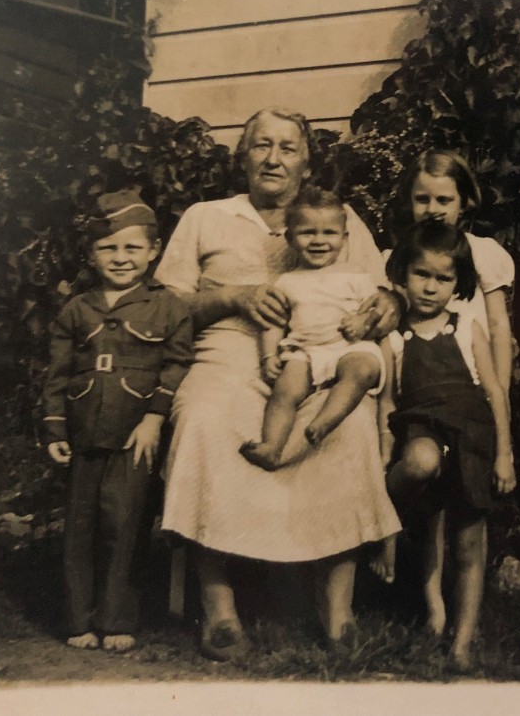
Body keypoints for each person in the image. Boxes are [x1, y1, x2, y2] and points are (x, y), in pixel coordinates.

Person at [155, 107, 402, 660]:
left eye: (288, 148)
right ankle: (219, 610)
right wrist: (229, 297)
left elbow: (382, 293)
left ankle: (336, 610)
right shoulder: (206, 216)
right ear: (242, 158)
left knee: (352, 424)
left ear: (306, 161)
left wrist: (385, 306)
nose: (273, 158)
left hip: (322, 358)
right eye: (261, 146)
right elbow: (162, 306)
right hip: (226, 355)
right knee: (203, 418)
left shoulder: (336, 217)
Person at [41, 190, 193, 653]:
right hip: (85, 430)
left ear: (153, 251)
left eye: (132, 248)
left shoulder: (169, 306)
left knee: (124, 523)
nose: (121, 258)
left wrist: (153, 419)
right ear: (91, 255)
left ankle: (118, 619)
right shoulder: (77, 309)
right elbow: (57, 375)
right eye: (108, 248)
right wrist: (54, 428)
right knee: (80, 527)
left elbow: (176, 366)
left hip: (135, 434)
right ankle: (78, 619)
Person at [376, 219, 516, 671]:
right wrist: (384, 460)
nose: (431, 288)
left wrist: (504, 453)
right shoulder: (395, 337)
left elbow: (494, 391)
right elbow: (389, 403)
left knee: (468, 543)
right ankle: (419, 581)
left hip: (473, 435)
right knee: (420, 467)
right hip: (422, 430)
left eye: (443, 278)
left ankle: (462, 642)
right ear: (402, 274)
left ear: (457, 283)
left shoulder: (465, 327)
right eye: (422, 275)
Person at [239, 186, 384, 471]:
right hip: (305, 351)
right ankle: (272, 447)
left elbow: (376, 307)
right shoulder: (286, 282)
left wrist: (362, 321)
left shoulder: (355, 274)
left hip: (348, 346)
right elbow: (274, 324)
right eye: (308, 233)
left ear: (344, 238)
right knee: (284, 391)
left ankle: (325, 421)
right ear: (291, 238)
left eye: (329, 233)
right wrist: (269, 357)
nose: (319, 241)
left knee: (362, 370)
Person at [399, 150, 514, 393]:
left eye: (443, 200)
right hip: (419, 378)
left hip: (473, 379)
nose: (432, 209)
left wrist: (500, 392)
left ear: (463, 203)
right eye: (422, 199)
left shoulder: (480, 251)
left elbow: (497, 324)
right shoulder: (402, 256)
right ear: (409, 201)